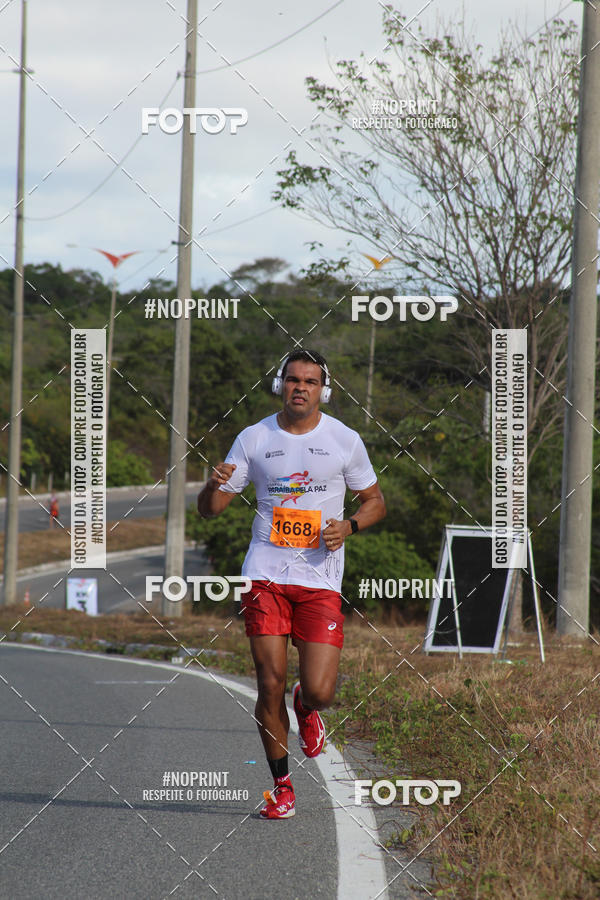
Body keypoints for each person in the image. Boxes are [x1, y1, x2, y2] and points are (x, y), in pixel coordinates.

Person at [197, 349, 386, 819]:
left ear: (325, 388)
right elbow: (211, 508)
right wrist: (210, 484)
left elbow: (375, 500)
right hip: (265, 573)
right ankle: (282, 786)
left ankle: (307, 706)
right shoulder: (254, 437)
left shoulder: (344, 439)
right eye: (293, 379)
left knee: (321, 689)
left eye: (311, 380)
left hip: (320, 577)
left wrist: (352, 526)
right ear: (280, 384)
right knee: (269, 682)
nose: (301, 386)